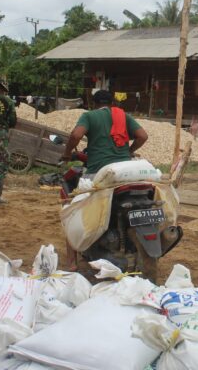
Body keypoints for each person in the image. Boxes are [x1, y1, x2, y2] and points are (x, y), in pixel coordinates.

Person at [61, 89, 148, 270]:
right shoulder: (123, 116)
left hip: (98, 172)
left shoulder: (89, 116)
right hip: (125, 172)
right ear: (112, 104)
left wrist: (67, 153)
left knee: (71, 209)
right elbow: (143, 136)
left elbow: (76, 135)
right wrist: (129, 151)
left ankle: (71, 262)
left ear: (93, 104)